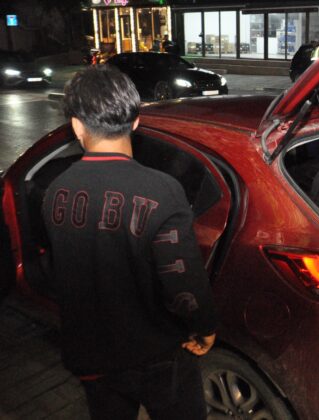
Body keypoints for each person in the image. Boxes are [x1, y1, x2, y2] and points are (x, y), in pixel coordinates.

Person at [42, 65, 218, 420]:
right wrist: (204, 326)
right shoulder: (162, 191)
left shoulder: (54, 192)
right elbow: (182, 279)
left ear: (77, 125)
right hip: (158, 355)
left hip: (94, 358)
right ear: (136, 121)